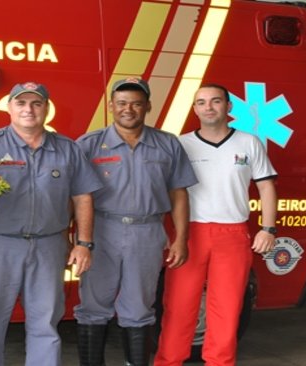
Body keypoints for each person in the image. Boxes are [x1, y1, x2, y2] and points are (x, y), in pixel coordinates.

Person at [0, 82, 103, 366]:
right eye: (21, 103)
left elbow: (82, 196)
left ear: (46, 109)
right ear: (9, 107)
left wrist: (83, 243)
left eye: (36, 103)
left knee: (46, 324)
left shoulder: (68, 149)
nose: (28, 110)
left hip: (49, 246)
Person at [74, 77, 198, 366]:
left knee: (140, 307)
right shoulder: (89, 145)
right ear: (111, 106)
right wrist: (79, 241)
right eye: (122, 103)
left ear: (148, 107)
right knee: (93, 306)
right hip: (101, 232)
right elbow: (74, 197)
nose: (128, 109)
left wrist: (181, 238)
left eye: (136, 104)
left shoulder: (167, 144)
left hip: (147, 232)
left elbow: (179, 194)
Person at [154, 83, 277, 366]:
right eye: (201, 102)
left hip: (232, 234)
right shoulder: (181, 144)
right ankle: (167, 362)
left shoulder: (249, 142)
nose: (208, 107)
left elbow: (266, 187)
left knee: (227, 309)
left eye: (215, 101)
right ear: (194, 108)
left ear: (228, 106)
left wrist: (268, 228)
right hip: (188, 234)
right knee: (178, 308)